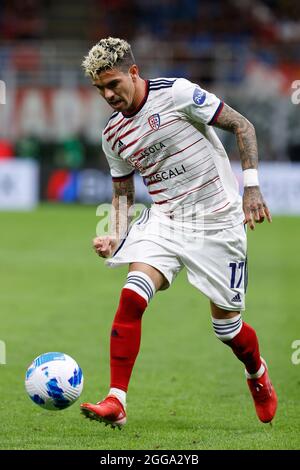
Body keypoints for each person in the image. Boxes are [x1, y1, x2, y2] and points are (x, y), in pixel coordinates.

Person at [80, 37, 277, 429]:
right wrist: (116, 237)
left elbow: (242, 125)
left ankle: (257, 373)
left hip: (217, 222)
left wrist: (251, 186)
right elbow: (123, 193)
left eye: (113, 83)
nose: (107, 94)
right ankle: (116, 399)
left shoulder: (178, 94)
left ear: (133, 73)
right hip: (166, 220)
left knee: (227, 328)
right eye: (99, 88)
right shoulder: (113, 136)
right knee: (132, 295)